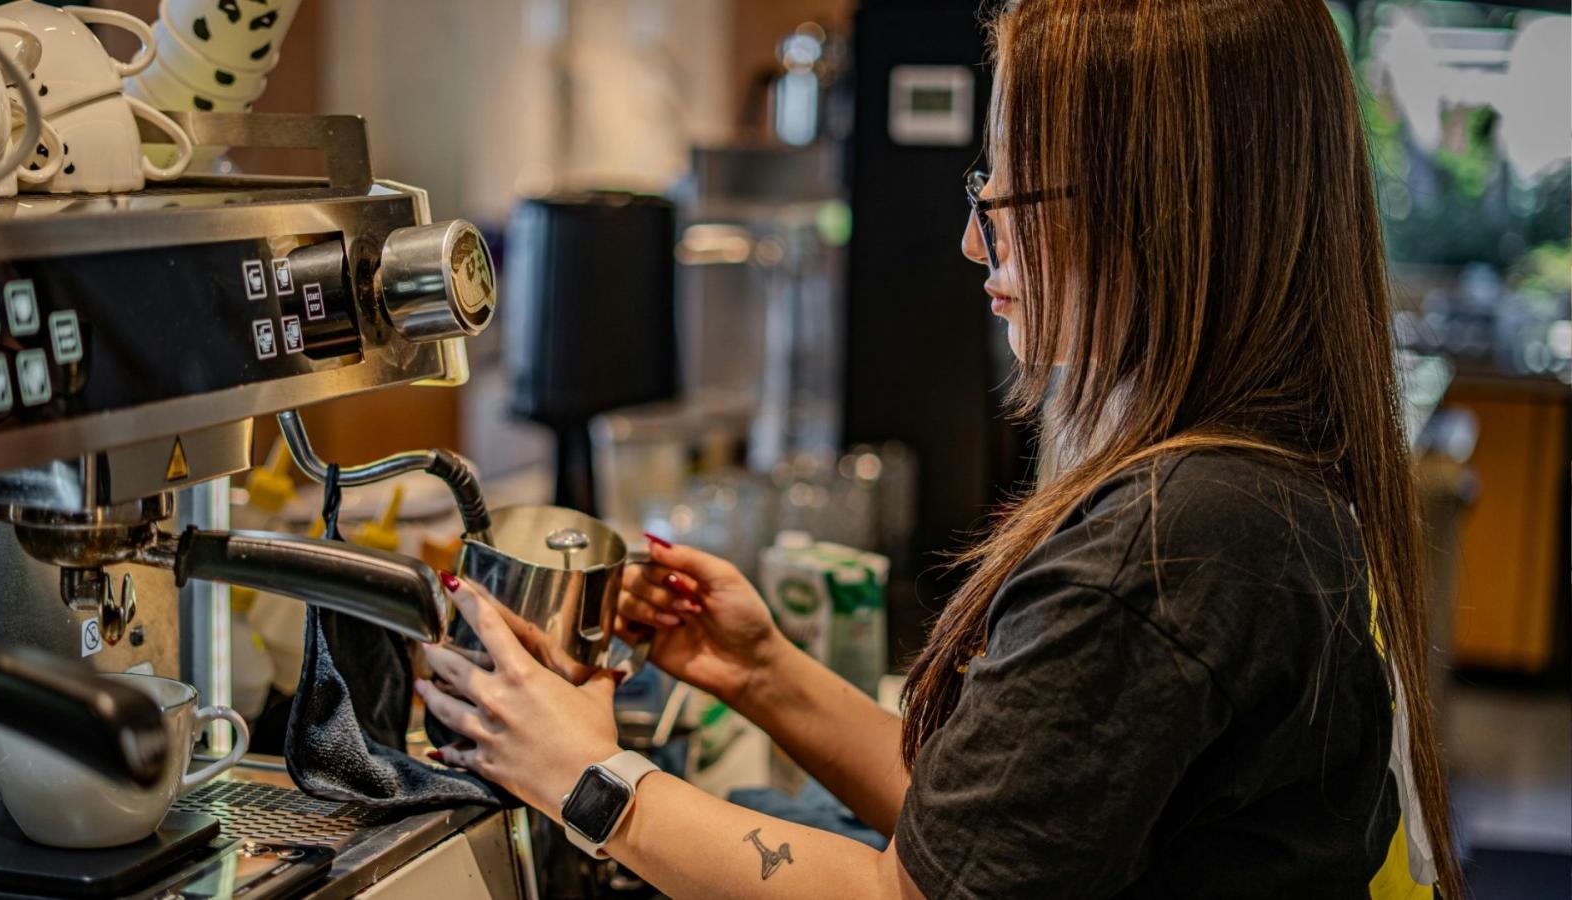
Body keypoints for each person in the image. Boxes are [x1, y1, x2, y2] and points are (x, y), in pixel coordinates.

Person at [416, 0, 1462, 896]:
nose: (975, 241)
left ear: (1159, 210)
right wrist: (763, 671)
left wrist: (584, 777)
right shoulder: (1263, 484)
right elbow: (991, 840)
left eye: (1007, 199)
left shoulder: (1171, 548)